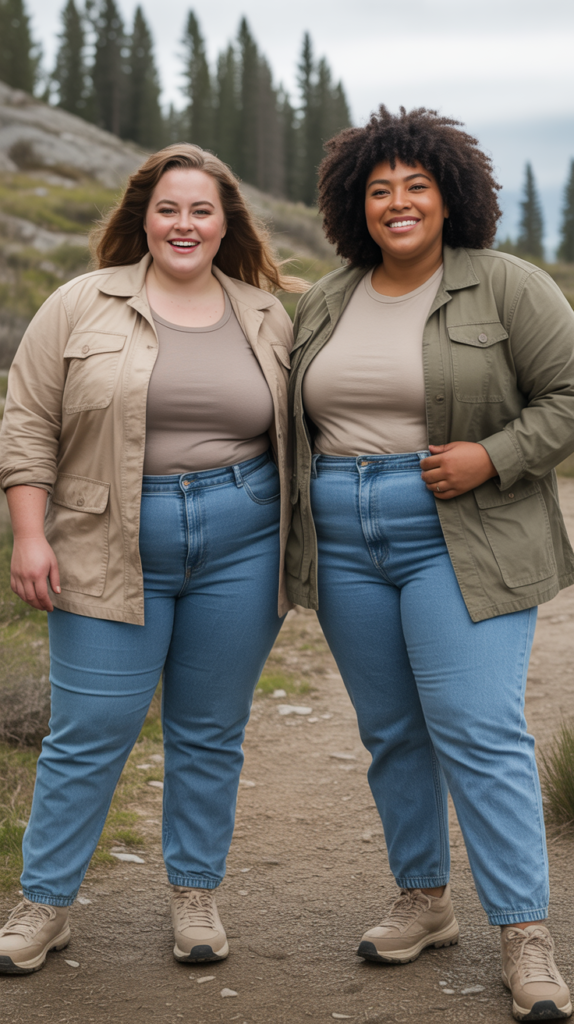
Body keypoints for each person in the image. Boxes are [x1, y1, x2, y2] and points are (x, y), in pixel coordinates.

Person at [286, 107, 574, 1023]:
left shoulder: (507, 287)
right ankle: (424, 898)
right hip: (346, 540)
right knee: (394, 731)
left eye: (416, 185)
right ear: (353, 205)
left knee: (478, 727)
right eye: (380, 189)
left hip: (466, 529)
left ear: (451, 195)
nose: (398, 202)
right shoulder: (329, 298)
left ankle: (525, 934)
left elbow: (568, 394)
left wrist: (494, 454)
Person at [0, 143, 303, 974]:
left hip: (243, 541)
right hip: (101, 540)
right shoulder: (80, 304)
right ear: (143, 215)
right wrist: (30, 533)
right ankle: (46, 905)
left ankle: (196, 895)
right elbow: (26, 423)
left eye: (201, 210)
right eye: (168, 208)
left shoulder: (270, 312)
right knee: (88, 732)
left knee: (209, 732)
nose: (184, 224)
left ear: (225, 222)